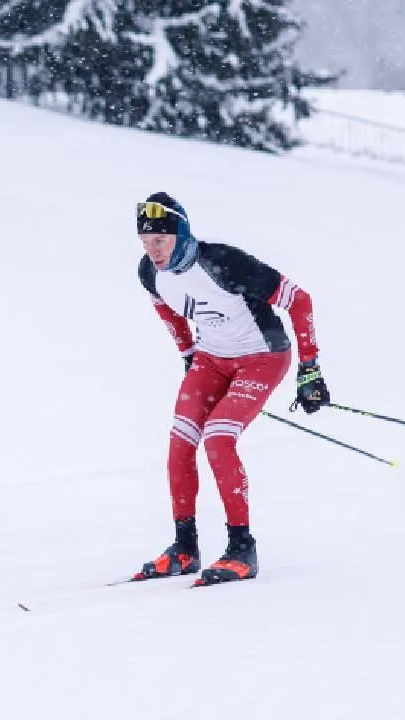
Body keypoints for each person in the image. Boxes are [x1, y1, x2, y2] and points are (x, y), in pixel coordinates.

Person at [130, 192, 329, 587]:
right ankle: (185, 548)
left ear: (181, 234)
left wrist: (310, 368)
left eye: (161, 241)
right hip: (211, 358)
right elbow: (165, 308)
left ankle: (242, 549)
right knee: (181, 441)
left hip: (262, 357)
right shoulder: (149, 272)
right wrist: (188, 351)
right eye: (146, 242)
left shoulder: (223, 262)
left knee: (218, 439)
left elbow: (299, 300)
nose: (153, 251)